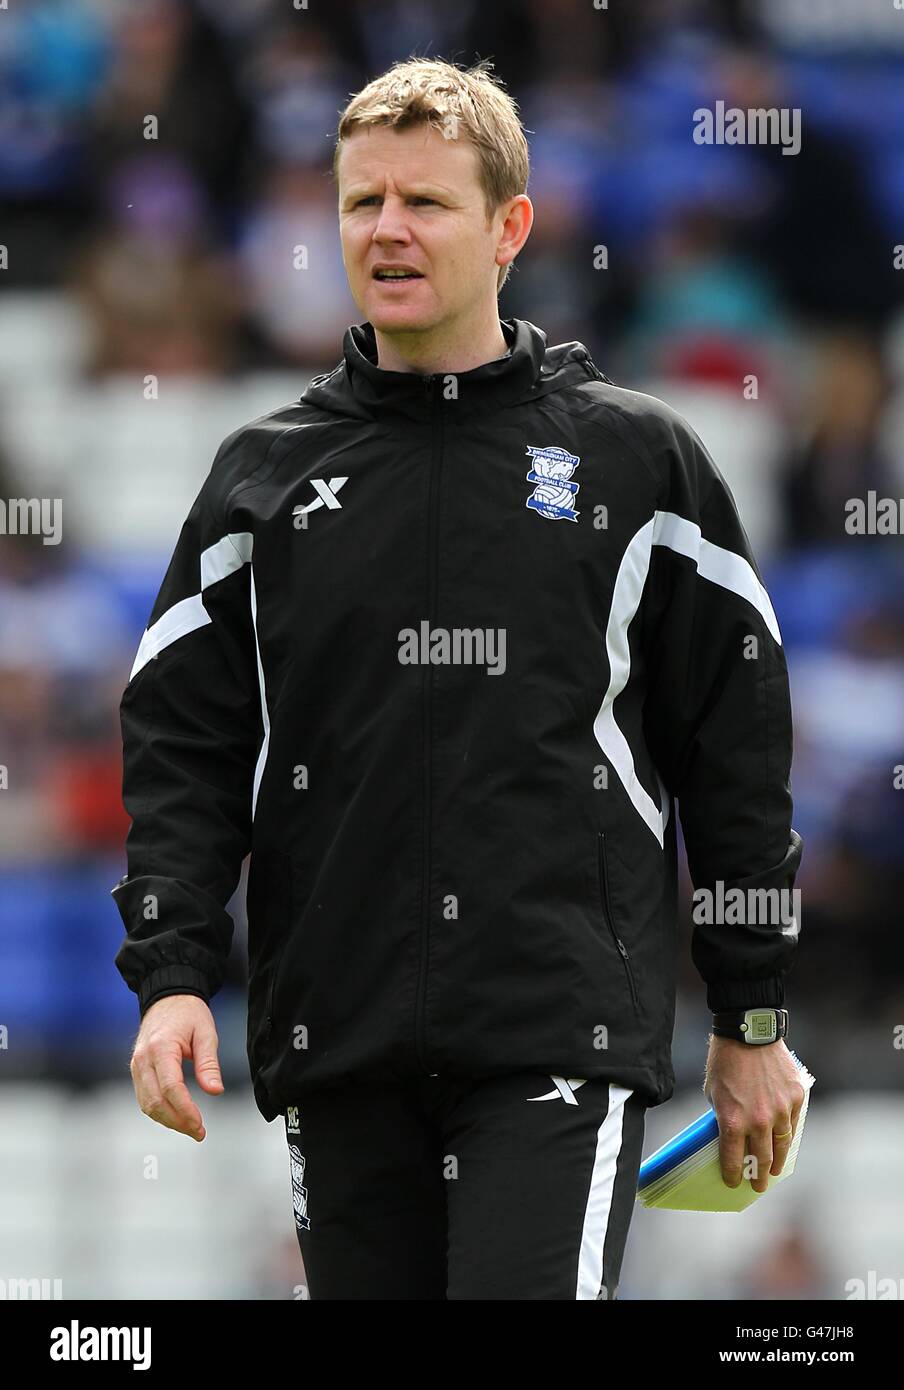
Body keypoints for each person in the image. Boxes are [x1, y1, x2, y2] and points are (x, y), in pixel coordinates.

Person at [113, 57, 805, 1301]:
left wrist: (752, 1020)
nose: (386, 228)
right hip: (339, 1038)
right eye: (361, 201)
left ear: (509, 228)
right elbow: (182, 747)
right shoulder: (257, 481)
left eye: (425, 202)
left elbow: (737, 753)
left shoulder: (640, 464)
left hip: (557, 1032)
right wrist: (171, 978)